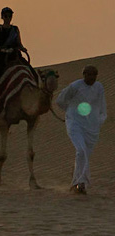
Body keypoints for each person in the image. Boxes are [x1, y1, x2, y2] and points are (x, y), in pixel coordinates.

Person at [56, 65, 107, 194]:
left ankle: (76, 183)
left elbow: (102, 107)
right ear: (84, 75)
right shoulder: (75, 86)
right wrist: (70, 112)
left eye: (94, 75)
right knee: (81, 150)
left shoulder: (99, 87)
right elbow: (60, 100)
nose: (92, 77)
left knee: (84, 155)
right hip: (75, 124)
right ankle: (80, 183)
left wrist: (98, 121)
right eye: (89, 74)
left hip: (91, 127)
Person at [0, 7, 27, 117]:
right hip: (2, 55)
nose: (8, 18)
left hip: (14, 54)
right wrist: (4, 50)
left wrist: (22, 48)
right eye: (6, 16)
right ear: (2, 17)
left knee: (28, 69)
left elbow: (19, 42)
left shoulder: (15, 29)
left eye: (10, 16)